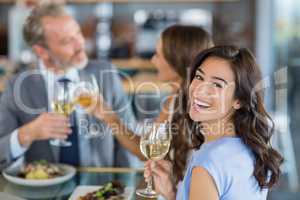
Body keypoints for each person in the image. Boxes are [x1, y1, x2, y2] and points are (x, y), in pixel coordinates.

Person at [0, 3, 136, 170]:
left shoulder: (106, 73)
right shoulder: (17, 86)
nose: (80, 45)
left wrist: (128, 185)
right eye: (66, 41)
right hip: (45, 190)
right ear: (42, 51)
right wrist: (27, 133)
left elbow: (131, 145)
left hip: (97, 188)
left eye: (78, 33)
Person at [144, 45, 283, 200]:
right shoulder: (248, 148)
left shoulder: (208, 162)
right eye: (199, 77)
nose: (199, 90)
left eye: (217, 84)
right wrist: (171, 194)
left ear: (239, 100)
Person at [90, 24, 213, 183]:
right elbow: (148, 151)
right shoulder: (174, 100)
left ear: (177, 60)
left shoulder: (196, 108)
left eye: (158, 55)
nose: (153, 60)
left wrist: (109, 117)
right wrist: (108, 116)